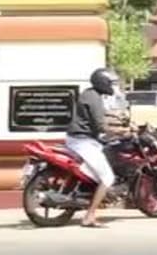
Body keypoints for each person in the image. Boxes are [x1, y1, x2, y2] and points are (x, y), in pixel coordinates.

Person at [65, 67, 127, 228]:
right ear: (102, 83)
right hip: (82, 142)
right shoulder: (94, 98)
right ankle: (89, 216)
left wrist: (117, 118)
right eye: (110, 83)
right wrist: (121, 131)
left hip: (81, 140)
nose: (112, 87)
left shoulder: (90, 94)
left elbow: (98, 116)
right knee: (107, 177)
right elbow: (100, 125)